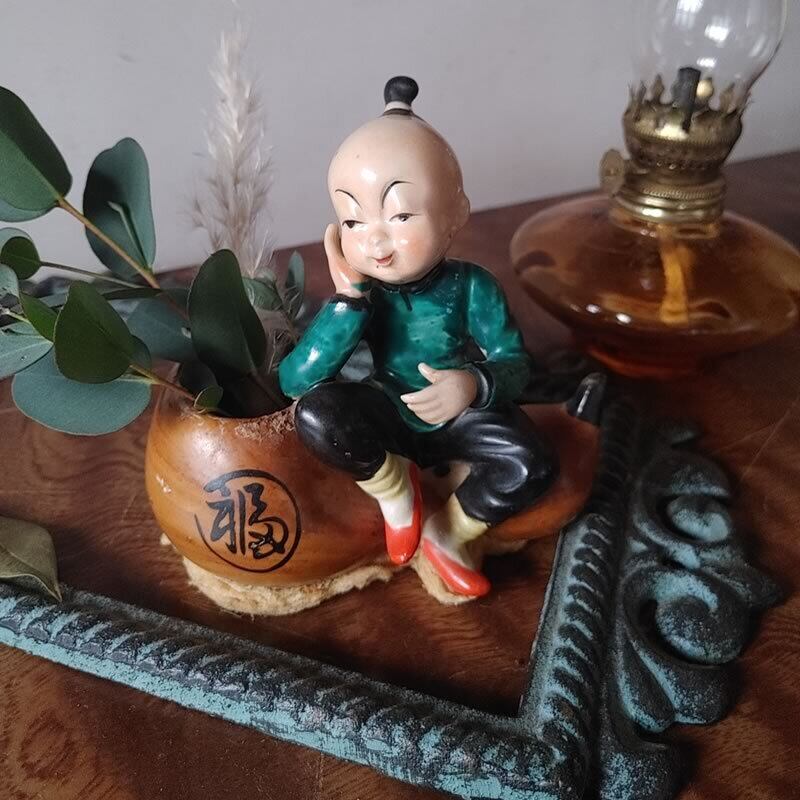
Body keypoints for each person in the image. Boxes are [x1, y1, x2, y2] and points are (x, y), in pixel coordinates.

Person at [279, 77, 556, 598]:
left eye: (401, 214)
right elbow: (296, 381)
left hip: (458, 415)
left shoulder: (471, 286)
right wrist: (349, 300)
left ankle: (448, 531)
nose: (376, 241)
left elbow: (515, 362)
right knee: (317, 414)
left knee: (531, 465)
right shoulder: (363, 294)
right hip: (389, 406)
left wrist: (472, 385)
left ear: (456, 214)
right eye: (353, 221)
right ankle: (395, 491)